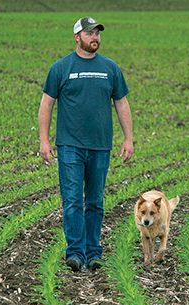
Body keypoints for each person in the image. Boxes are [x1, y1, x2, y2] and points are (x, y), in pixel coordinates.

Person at [38, 16, 134, 272]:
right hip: (70, 146)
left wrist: (128, 138)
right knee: (72, 201)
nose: (95, 38)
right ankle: (75, 253)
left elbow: (121, 103)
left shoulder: (110, 68)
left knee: (95, 202)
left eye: (98, 33)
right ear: (77, 37)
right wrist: (44, 140)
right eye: (90, 33)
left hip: (100, 146)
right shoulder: (61, 68)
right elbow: (47, 103)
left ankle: (93, 252)